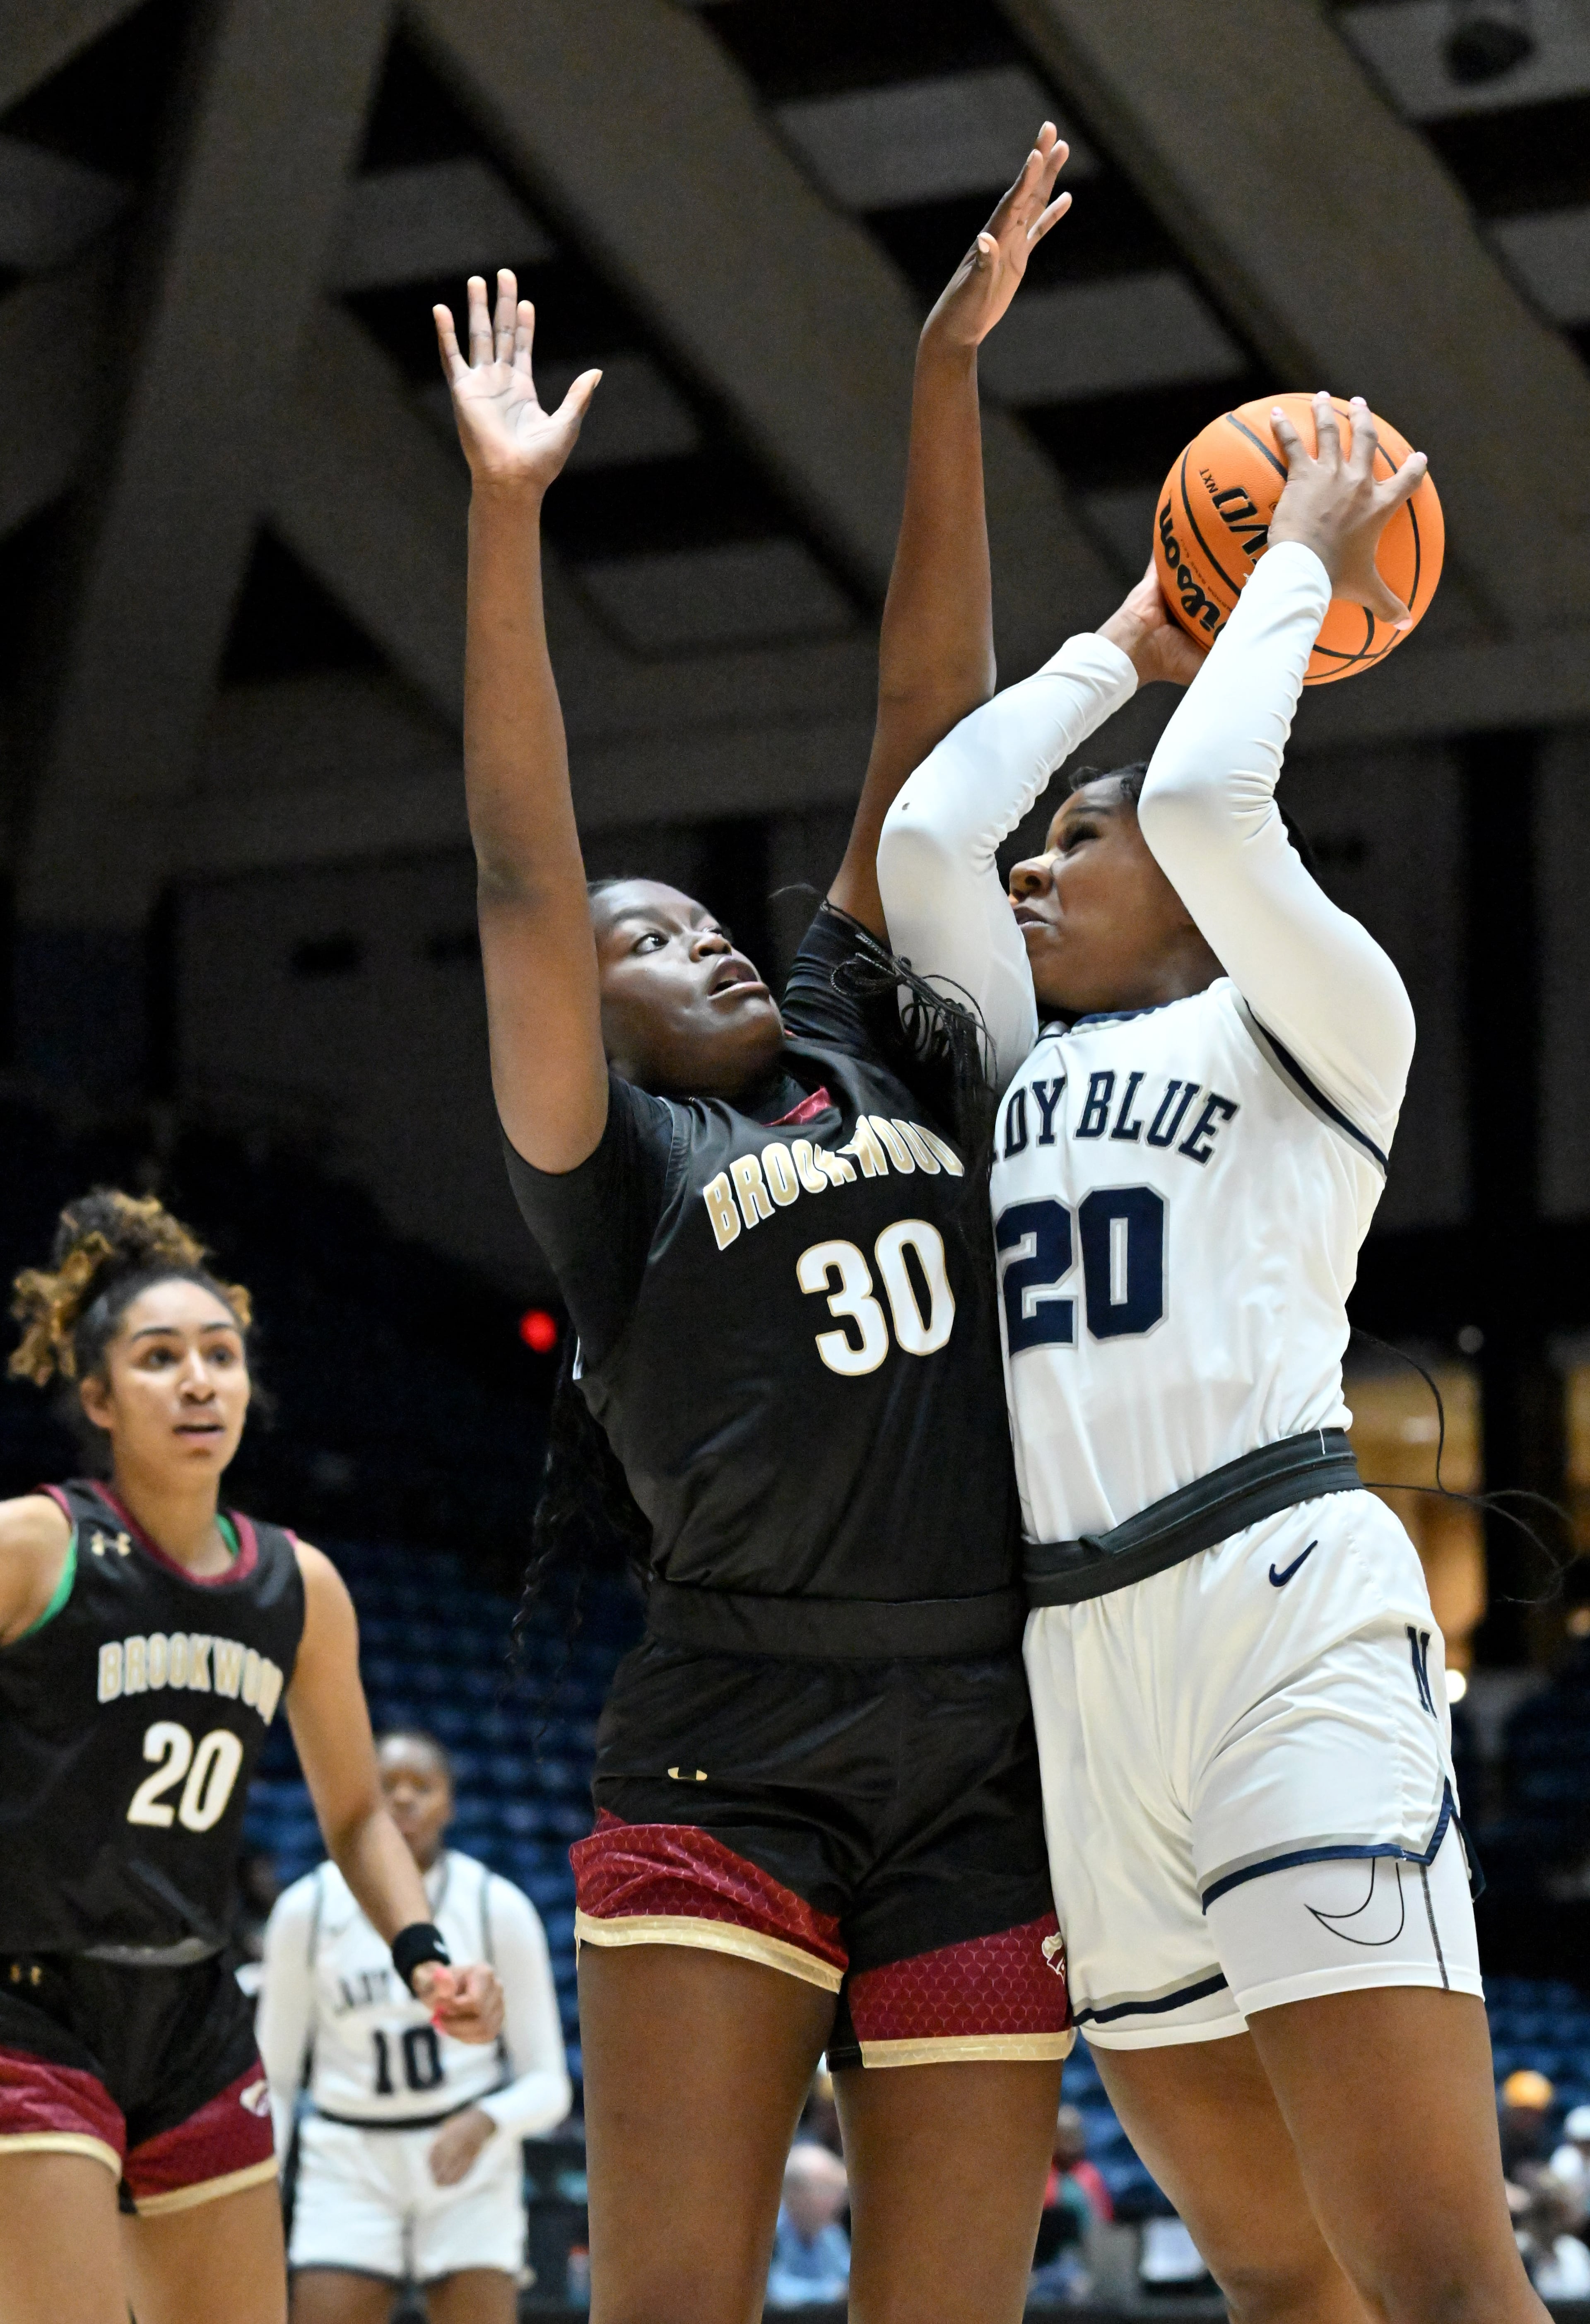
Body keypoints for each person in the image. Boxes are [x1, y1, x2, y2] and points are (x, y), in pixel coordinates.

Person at [432, 128, 1083, 2324]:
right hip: (732, 1743)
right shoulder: (606, 1173)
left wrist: (940, 377)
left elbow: (931, 727)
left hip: (986, 1739)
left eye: (704, 914)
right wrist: (506, 523)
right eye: (651, 938)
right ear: (585, 1020)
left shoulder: (854, 1035)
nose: (697, 939)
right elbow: (528, 871)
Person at [878, 397, 1549, 2320]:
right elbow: (931, 824)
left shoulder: (1323, 1013)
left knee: (1435, 2270)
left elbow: (1196, 805)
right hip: (1079, 1666)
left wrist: (1293, 571)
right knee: (1273, 2276)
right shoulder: (1015, 1062)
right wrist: (1119, 642)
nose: (1037, 863)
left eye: (1070, 843)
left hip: (1278, 1618)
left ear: (1190, 898)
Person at [0, 1191, 503, 2324]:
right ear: (96, 1395)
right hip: (28, 2000)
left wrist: (424, 1953)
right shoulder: (39, 1545)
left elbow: (360, 1814)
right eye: (160, 1357)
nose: (198, 1380)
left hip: (192, 2008)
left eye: (221, 1355)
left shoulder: (299, 1585)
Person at [259, 1728, 570, 2324]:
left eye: (421, 1787)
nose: (403, 1799)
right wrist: (261, 2188)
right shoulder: (306, 1909)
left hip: (469, 2158)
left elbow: (550, 2085)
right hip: (346, 2159)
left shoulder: (496, 1906)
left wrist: (487, 2121)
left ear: (449, 1803)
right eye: (387, 1786)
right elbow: (275, 2078)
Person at [766, 2144, 852, 2310]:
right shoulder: (769, 2234)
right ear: (794, 2194)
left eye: (839, 2191)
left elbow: (850, 2279)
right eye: (826, 2190)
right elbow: (772, 2290)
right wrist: (832, 2291)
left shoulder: (831, 2234)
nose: (838, 2202)